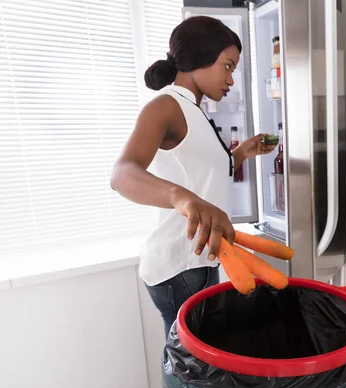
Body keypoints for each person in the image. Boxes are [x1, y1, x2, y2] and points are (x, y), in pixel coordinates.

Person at [110, 16, 275, 338]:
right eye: (227, 66)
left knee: (196, 367)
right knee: (193, 371)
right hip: (179, 264)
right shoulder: (165, 106)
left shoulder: (194, 111)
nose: (231, 79)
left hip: (200, 258)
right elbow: (122, 173)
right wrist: (180, 197)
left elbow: (198, 172)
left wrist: (240, 154)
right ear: (200, 57)